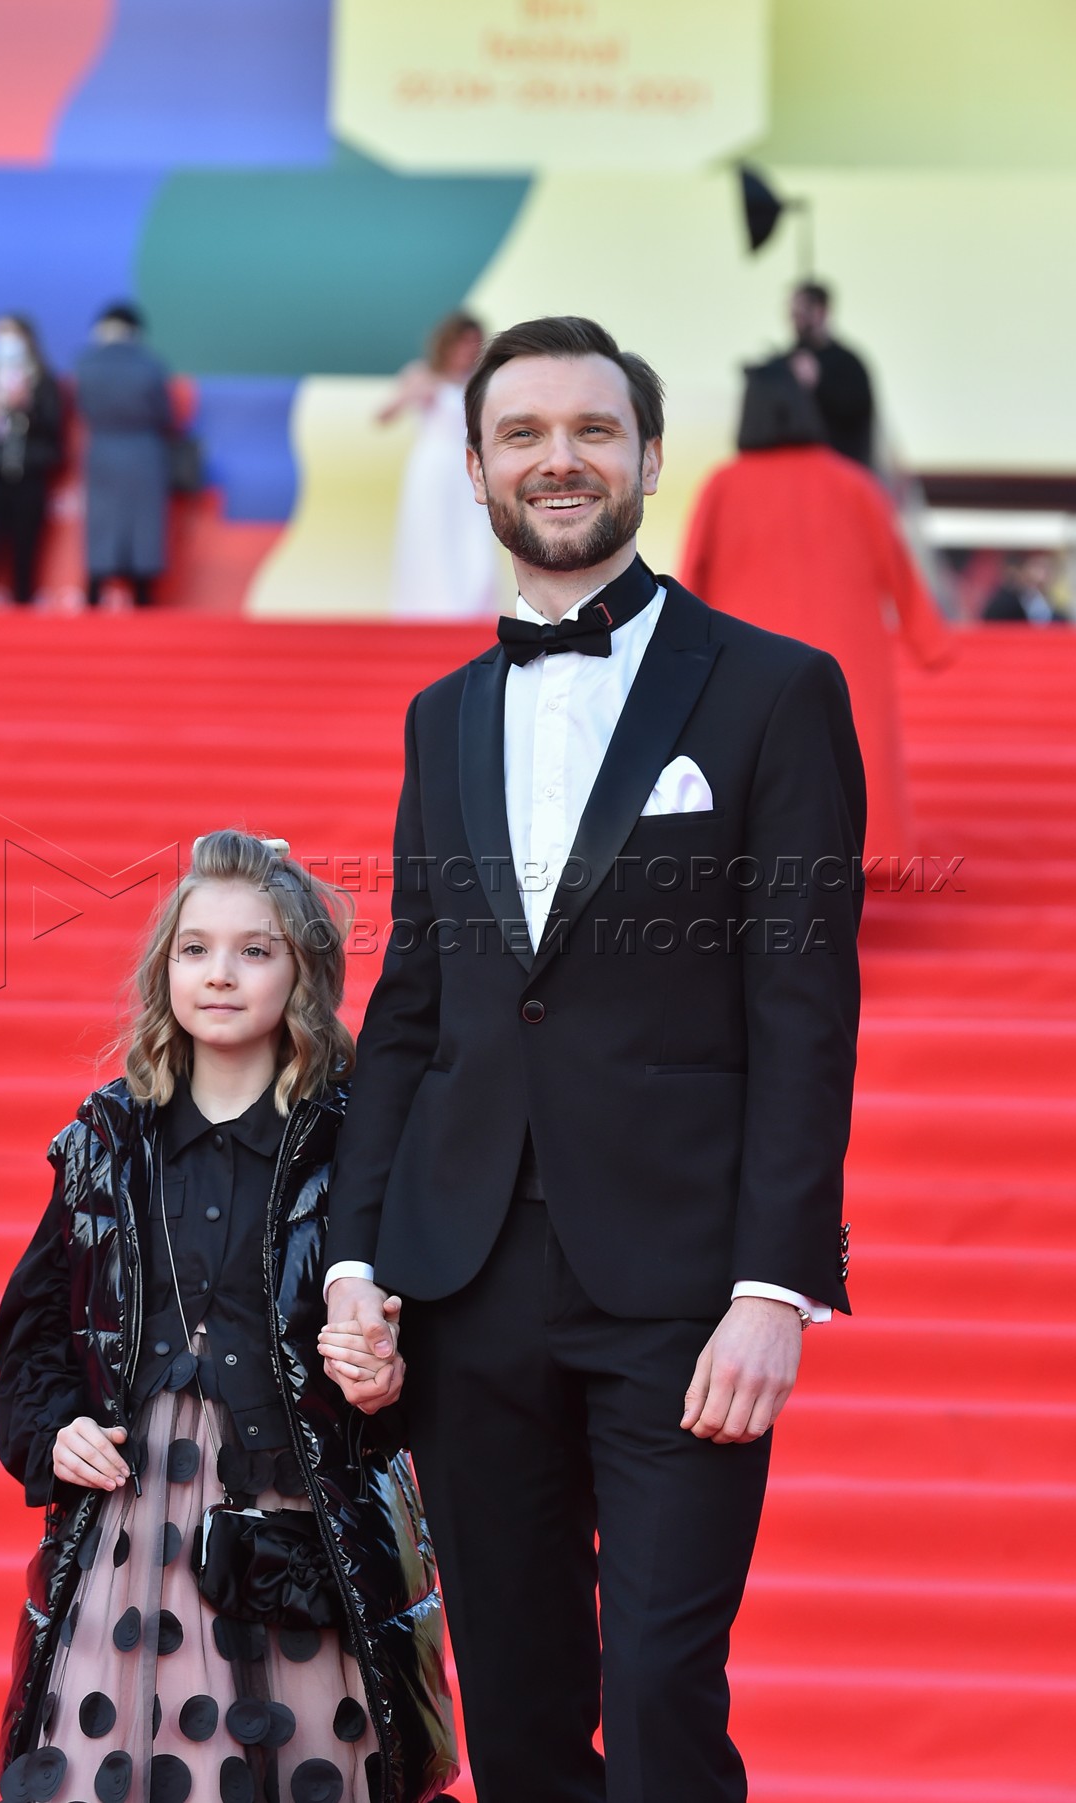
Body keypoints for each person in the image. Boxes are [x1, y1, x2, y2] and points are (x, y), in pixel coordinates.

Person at [320, 316, 866, 1803]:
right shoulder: (443, 717)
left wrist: (777, 1287)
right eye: (523, 433)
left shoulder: (775, 690)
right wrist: (356, 1261)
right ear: (478, 467)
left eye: (593, 430)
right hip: (464, 1274)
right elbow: (414, 1007)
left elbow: (804, 1006)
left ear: (648, 456)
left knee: (664, 1694)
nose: (558, 458)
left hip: (683, 1285)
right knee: (515, 1702)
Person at [0, 830, 457, 1803]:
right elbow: (33, 1335)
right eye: (195, 948)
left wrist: (391, 1377)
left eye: (256, 949)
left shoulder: (358, 1145)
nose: (220, 973)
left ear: (304, 973)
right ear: (164, 969)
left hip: (303, 1519)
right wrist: (54, 1428)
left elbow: (431, 1332)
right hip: (130, 1529)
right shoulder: (104, 1140)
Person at [680, 360, 952, 872]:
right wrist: (929, 643)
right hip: (844, 658)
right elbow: (899, 570)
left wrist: (674, 650)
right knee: (847, 759)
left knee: (754, 767)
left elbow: (691, 574)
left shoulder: (723, 486)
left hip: (746, 661)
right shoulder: (854, 484)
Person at [379, 311, 499, 620]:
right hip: (433, 468)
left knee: (474, 536)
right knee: (432, 535)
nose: (468, 350)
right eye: (463, 342)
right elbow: (383, 416)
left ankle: (472, 608)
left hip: (473, 469)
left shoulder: (483, 381)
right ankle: (430, 609)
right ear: (447, 344)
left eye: (474, 343)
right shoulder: (423, 374)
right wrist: (414, 392)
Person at [75, 302, 173, 609]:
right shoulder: (150, 363)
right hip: (144, 449)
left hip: (102, 449)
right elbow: (164, 413)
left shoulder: (86, 362)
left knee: (101, 518)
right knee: (143, 521)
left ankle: (95, 589)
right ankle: (142, 592)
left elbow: (81, 407)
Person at [0, 315, 64, 606]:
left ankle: (25, 618)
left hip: (28, 477)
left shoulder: (43, 381)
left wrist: (27, 407)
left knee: (25, 556)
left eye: (10, 334)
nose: (3, 341)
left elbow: (54, 431)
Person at [785, 280, 875, 466]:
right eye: (794, 313)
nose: (797, 320)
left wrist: (819, 382)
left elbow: (854, 414)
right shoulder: (787, 362)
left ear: (822, 311)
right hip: (797, 468)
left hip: (841, 466)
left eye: (803, 312)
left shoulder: (848, 364)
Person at [982, 549, 1066, 623]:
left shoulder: (1055, 611)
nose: (1041, 576)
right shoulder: (1003, 605)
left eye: (1047, 568)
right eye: (1036, 567)